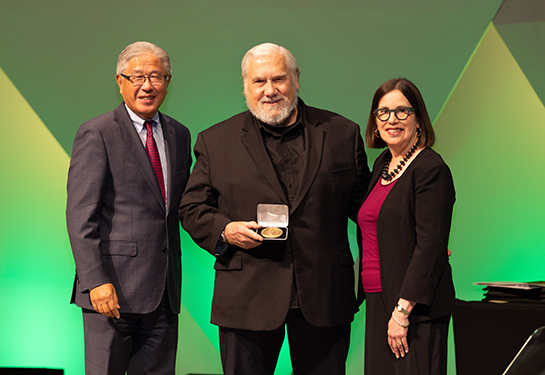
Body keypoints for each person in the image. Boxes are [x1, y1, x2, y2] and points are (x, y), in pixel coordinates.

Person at [179, 42, 370, 375]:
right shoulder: (215, 140)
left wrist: (408, 241)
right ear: (245, 86)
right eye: (258, 81)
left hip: (325, 294)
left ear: (296, 80)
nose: (270, 91)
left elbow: (368, 209)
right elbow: (192, 206)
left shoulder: (343, 134)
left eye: (278, 79)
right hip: (246, 298)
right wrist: (225, 230)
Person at [66, 41, 191, 375]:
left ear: (167, 81)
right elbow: (81, 216)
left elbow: (179, 207)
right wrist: (94, 282)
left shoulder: (180, 134)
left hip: (163, 294)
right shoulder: (98, 132)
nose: (147, 86)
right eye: (137, 76)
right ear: (119, 81)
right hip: (110, 293)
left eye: (156, 77)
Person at [357, 78, 455, 374]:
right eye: (383, 112)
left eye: (402, 111)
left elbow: (430, 246)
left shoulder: (430, 169)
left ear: (419, 119)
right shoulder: (382, 164)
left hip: (413, 309)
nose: (392, 120)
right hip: (378, 299)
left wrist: (402, 312)